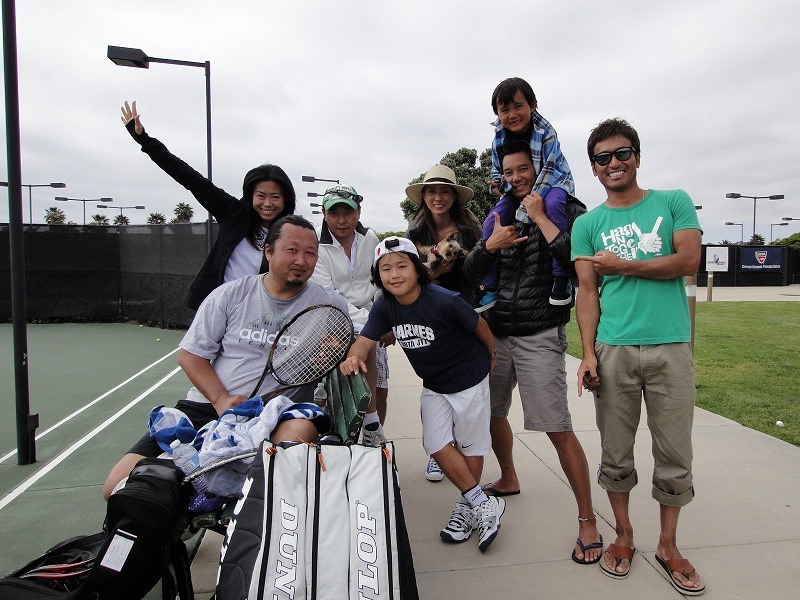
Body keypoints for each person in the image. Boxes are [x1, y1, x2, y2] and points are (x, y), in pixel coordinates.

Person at [102, 215, 349, 499]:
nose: (301, 261)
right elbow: (190, 356)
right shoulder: (230, 295)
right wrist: (221, 399)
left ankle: (218, 496)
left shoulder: (329, 303)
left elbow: (360, 339)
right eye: (292, 250)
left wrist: (340, 350)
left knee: (298, 433)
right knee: (115, 488)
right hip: (207, 407)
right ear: (269, 252)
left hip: (275, 415)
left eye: (310, 253)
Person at [572, 118, 705, 594]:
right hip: (614, 349)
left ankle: (668, 545)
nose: (614, 163)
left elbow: (688, 262)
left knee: (674, 451)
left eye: (622, 153)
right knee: (615, 450)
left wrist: (624, 265)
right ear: (594, 168)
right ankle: (624, 535)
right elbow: (587, 292)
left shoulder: (673, 202)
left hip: (671, 346)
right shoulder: (587, 224)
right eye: (603, 157)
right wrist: (587, 354)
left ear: (637, 157)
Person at [463, 140, 603, 565]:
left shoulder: (565, 206)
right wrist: (489, 245)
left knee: (557, 427)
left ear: (538, 167)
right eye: (508, 172)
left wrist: (541, 217)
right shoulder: (499, 214)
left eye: (523, 169)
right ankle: (508, 477)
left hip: (539, 333)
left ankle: (587, 519)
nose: (516, 178)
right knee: (491, 414)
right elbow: (469, 273)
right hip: (496, 334)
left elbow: (579, 265)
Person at [341, 236, 505, 552]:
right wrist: (354, 356)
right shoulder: (385, 305)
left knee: (470, 445)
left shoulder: (445, 300)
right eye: (386, 269)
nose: (394, 274)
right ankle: (482, 503)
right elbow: (365, 341)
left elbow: (478, 326)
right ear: (378, 275)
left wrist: (492, 354)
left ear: (417, 269)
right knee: (435, 442)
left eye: (402, 266)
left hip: (469, 380)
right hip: (434, 384)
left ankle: (466, 508)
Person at [121, 100, 295, 310]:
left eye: (275, 197)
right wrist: (144, 139)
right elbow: (188, 176)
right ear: (250, 196)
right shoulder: (233, 212)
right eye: (261, 196)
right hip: (217, 308)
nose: (267, 203)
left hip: (258, 313)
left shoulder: (289, 231)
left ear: (285, 199)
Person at [405, 164, 482, 482]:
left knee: (464, 386)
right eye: (432, 191)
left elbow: (474, 267)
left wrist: (445, 263)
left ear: (454, 196)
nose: (438, 197)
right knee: (435, 382)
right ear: (424, 196)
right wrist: (433, 268)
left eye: (445, 191)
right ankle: (439, 450)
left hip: (463, 308)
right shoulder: (415, 231)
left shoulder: (469, 226)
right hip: (428, 312)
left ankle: (460, 447)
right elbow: (413, 273)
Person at [481, 77, 575, 307]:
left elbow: (548, 170)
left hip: (553, 181)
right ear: (497, 113)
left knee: (552, 206)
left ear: (532, 105)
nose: (512, 114)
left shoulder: (545, 131)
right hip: (518, 188)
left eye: (518, 106)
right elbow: (498, 172)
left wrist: (526, 209)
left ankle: (561, 277)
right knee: (492, 221)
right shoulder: (499, 137)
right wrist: (500, 186)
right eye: (505, 110)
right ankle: (489, 285)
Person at [310, 184, 388, 444]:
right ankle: (370, 425)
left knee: (381, 389)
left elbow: (379, 282)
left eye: (348, 212)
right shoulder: (316, 244)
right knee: (366, 352)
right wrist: (374, 326)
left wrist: (384, 318)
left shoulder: (370, 238)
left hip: (371, 314)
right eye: (334, 213)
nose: (341, 220)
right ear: (324, 214)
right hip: (332, 317)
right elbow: (329, 296)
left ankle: (373, 437)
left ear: (358, 212)